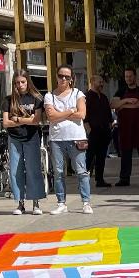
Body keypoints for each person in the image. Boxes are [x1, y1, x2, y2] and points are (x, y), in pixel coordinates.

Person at [45, 64, 93, 214]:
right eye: (61, 76)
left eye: (67, 77)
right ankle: (61, 203)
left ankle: (86, 202)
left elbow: (82, 114)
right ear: (56, 77)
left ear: (72, 79)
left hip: (77, 137)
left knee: (81, 171)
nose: (63, 79)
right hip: (56, 139)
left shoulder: (78, 93)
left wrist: (60, 114)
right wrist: (71, 110)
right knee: (58, 172)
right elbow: (51, 117)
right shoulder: (49, 96)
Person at [3, 72, 46, 215]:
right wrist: (27, 120)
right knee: (15, 170)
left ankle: (36, 202)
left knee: (33, 169)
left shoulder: (36, 98)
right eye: (17, 82)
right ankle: (20, 203)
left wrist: (17, 119)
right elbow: (5, 123)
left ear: (28, 82)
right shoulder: (8, 100)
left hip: (31, 136)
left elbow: (37, 120)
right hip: (14, 138)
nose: (20, 85)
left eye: (23, 82)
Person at [112, 68, 139, 186]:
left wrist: (122, 105)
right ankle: (124, 179)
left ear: (135, 77)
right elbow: (113, 104)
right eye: (126, 76)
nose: (128, 78)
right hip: (125, 128)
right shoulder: (120, 91)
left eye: (130, 76)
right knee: (125, 154)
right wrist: (127, 100)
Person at [85, 74, 114, 188]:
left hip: (104, 131)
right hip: (93, 132)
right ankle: (83, 181)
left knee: (101, 157)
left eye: (102, 82)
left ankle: (100, 179)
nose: (102, 84)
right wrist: (89, 130)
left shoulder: (104, 97)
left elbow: (108, 114)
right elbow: (85, 115)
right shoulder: (87, 97)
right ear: (92, 82)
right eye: (99, 82)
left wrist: (109, 128)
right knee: (89, 157)